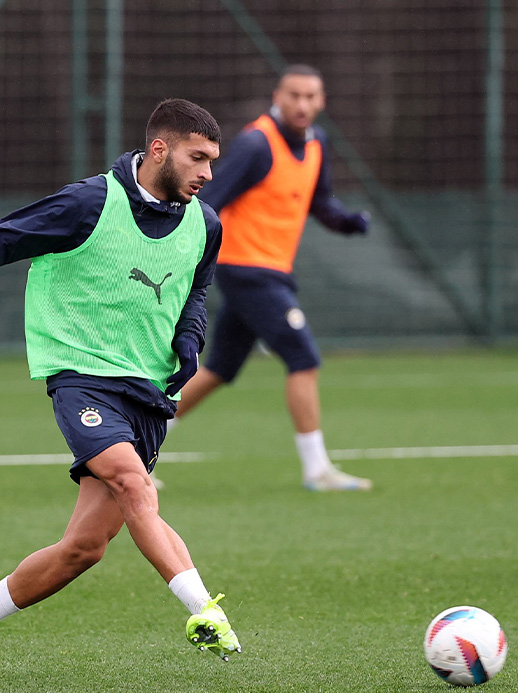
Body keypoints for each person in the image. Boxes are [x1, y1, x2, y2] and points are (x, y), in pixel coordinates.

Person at [0, 98, 241, 678]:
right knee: (136, 484)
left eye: (213, 160)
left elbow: (196, 289)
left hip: (149, 393)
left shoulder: (205, 223)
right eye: (198, 158)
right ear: (159, 149)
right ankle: (203, 610)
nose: (208, 173)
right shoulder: (89, 203)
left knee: (83, 550)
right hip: (83, 378)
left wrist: (190, 336)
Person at [160, 64, 372, 492]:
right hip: (246, 269)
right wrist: (182, 252)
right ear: (278, 96)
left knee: (218, 368)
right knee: (303, 357)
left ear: (321, 101)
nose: (302, 104)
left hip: (272, 270)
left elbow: (320, 201)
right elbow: (211, 198)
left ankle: (131, 443)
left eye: (311, 97)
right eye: (294, 95)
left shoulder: (317, 144)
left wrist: (348, 222)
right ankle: (318, 470)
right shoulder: (257, 144)